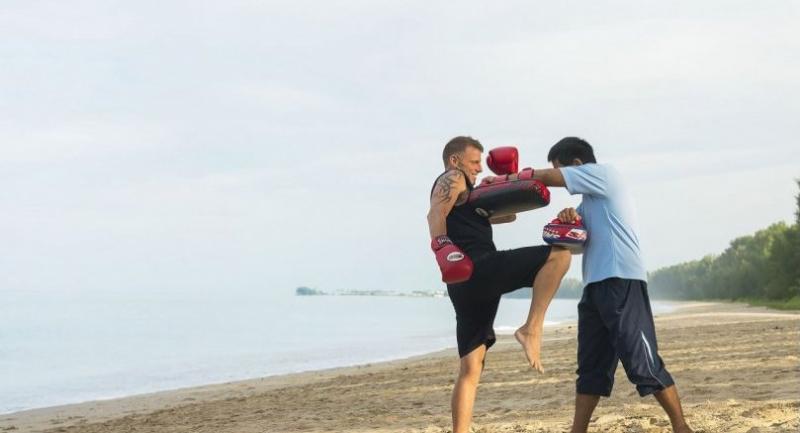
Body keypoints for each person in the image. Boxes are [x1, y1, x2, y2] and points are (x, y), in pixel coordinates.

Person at [527, 137, 693, 433]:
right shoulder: (587, 205)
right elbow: (576, 248)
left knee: (643, 363)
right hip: (593, 289)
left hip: (621, 281)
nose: (562, 179)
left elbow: (548, 178)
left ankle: (681, 427)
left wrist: (516, 178)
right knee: (591, 369)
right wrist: (569, 221)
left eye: (561, 169)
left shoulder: (606, 175)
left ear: (578, 165)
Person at [427, 136, 572, 433]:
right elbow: (434, 214)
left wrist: (506, 180)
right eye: (474, 162)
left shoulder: (467, 196)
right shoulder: (452, 178)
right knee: (559, 256)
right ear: (455, 161)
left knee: (471, 367)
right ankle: (531, 328)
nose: (479, 168)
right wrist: (442, 246)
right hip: (478, 267)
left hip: (463, 283)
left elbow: (508, 216)